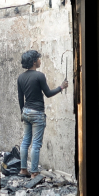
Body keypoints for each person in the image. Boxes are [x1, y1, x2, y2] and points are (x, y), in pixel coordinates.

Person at [17, 50, 68, 181]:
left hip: (26, 111)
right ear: (34, 61)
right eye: (39, 59)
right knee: (36, 144)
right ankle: (34, 172)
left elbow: (20, 98)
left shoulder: (21, 78)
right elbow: (48, 93)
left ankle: (23, 169)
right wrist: (61, 87)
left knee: (25, 141)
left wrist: (22, 112)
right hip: (37, 113)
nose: (40, 61)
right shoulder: (40, 76)